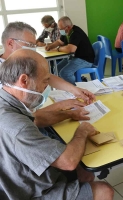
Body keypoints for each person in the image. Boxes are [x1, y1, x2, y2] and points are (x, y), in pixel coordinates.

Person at [0, 49, 114, 200]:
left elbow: (36, 119)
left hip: (21, 177)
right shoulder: (17, 127)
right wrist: (82, 131)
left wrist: (69, 114)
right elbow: (68, 162)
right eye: (45, 81)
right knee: (104, 190)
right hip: (29, 192)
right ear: (24, 80)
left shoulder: (7, 101)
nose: (46, 88)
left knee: (85, 172)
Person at [0, 21, 95, 128]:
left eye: (34, 45)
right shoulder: (4, 75)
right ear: (10, 43)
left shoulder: (21, 63)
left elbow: (47, 76)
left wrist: (75, 90)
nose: (33, 49)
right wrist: (61, 106)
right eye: (29, 45)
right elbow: (25, 118)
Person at [45, 16, 95, 85]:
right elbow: (60, 42)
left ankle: (77, 88)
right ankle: (71, 84)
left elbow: (70, 49)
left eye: (61, 29)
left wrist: (58, 49)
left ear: (68, 27)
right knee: (56, 70)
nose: (60, 30)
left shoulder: (76, 33)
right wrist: (50, 46)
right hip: (73, 57)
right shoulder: (66, 32)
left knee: (65, 73)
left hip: (84, 59)